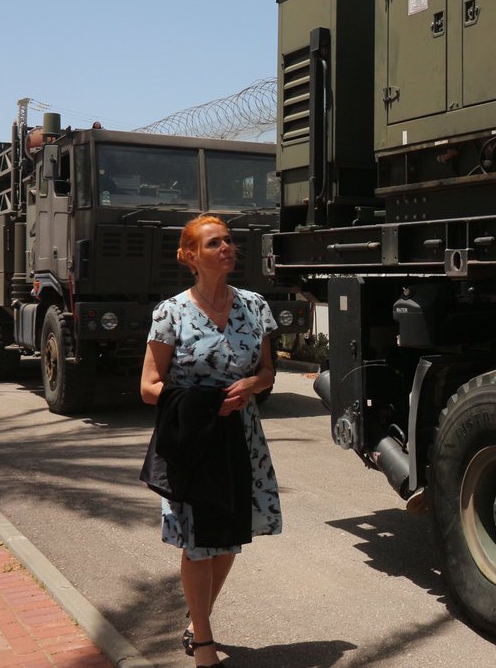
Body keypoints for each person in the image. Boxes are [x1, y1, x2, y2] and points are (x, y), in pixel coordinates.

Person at [140, 214, 282, 667]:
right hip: (193, 439)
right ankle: (203, 639)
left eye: (229, 241)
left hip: (242, 437)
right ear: (190, 256)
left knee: (230, 534)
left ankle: (196, 618)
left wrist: (251, 387)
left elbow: (267, 372)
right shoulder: (170, 312)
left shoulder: (255, 305)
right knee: (197, 540)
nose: (227, 248)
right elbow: (149, 386)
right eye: (214, 242)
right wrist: (202, 402)